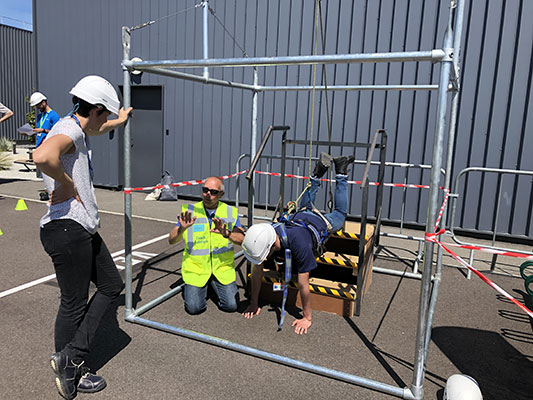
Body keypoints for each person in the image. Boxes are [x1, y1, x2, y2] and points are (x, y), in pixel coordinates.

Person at [34, 75, 132, 400]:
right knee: (73, 303)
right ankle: (71, 365)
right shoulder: (70, 130)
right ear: (96, 109)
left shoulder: (77, 125)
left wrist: (121, 118)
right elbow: (42, 156)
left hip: (81, 228)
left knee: (110, 285)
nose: (104, 122)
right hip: (67, 229)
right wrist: (64, 182)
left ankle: (69, 357)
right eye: (105, 114)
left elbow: (99, 129)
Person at [241, 153, 354, 334]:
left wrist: (307, 317)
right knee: (305, 206)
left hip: (319, 222)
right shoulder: (267, 232)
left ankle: (341, 172)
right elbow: (256, 270)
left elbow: (303, 284)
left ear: (270, 247)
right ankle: (316, 175)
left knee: (340, 213)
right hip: (300, 216)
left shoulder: (299, 245)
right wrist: (254, 302)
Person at [169, 176, 245, 314]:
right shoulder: (190, 210)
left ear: (221, 194)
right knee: (194, 308)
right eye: (205, 190)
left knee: (231, 306)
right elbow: (171, 240)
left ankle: (211, 284)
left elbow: (241, 239)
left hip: (221, 270)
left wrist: (226, 233)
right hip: (196, 270)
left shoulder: (230, 212)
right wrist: (182, 229)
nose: (208, 194)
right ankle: (204, 285)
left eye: (214, 192)